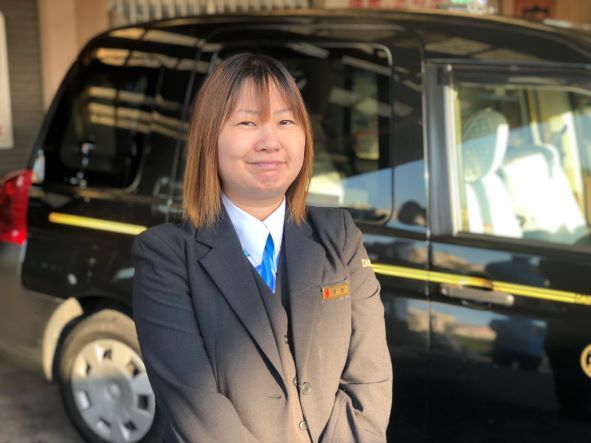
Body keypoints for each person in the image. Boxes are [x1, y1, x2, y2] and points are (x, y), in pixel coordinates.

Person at [132, 53, 392, 443]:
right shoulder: (166, 257)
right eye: (247, 122)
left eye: (286, 122)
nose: (270, 142)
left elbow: (370, 377)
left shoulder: (340, 235)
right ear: (209, 139)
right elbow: (197, 409)